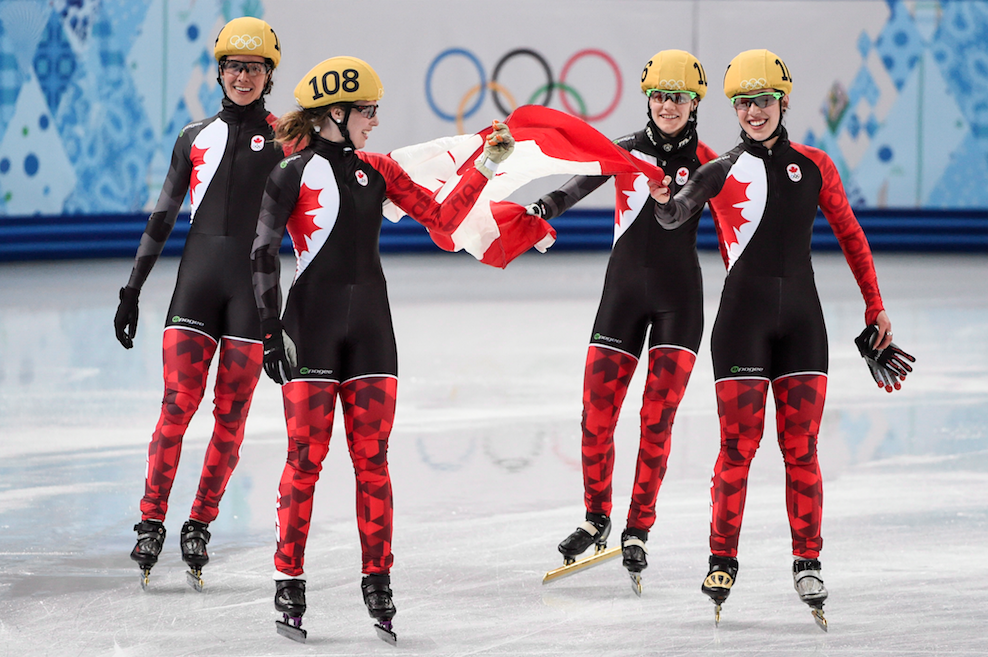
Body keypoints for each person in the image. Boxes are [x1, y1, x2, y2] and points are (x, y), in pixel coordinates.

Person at [250, 56, 516, 642]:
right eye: (368, 111)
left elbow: (445, 222)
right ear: (336, 113)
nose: (375, 121)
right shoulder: (288, 174)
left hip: (372, 331)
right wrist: (271, 330)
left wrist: (488, 163)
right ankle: (288, 581)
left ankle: (378, 583)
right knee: (305, 461)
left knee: (373, 462)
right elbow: (263, 253)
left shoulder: (380, 170)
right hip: (311, 328)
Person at [650, 48, 912, 627]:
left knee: (803, 452)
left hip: (802, 328)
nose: (753, 112)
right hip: (740, 327)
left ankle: (807, 560)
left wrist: (876, 305)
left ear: (783, 101)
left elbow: (850, 233)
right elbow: (674, 217)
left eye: (763, 101)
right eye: (743, 103)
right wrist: (665, 199)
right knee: (737, 451)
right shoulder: (718, 170)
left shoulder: (815, 165)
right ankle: (722, 557)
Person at [528, 50, 719, 590]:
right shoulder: (625, 150)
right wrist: (540, 211)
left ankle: (638, 526)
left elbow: (736, 226)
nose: (667, 105)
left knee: (656, 420)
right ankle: (597, 516)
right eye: (659, 95)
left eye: (678, 96)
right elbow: (575, 186)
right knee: (596, 412)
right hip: (623, 294)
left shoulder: (709, 161)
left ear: (695, 102)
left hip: (681, 301)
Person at [114, 16, 285, 589]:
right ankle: (151, 518)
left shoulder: (291, 139)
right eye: (235, 66)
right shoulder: (193, 137)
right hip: (197, 285)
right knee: (175, 407)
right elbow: (162, 218)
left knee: (231, 419)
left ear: (268, 75)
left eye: (254, 68)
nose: (243, 76)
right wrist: (132, 290)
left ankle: (200, 523)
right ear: (219, 72)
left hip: (252, 298)